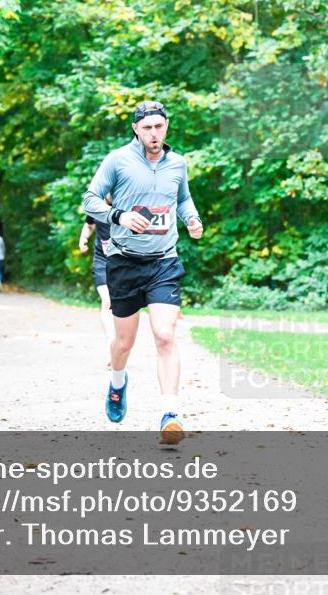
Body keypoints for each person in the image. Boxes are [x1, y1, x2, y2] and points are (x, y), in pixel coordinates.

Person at [82, 100, 204, 445]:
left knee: (165, 335)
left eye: (159, 126)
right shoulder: (118, 160)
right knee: (124, 343)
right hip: (123, 262)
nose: (154, 133)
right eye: (147, 127)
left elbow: (183, 199)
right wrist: (118, 215)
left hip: (164, 261)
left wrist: (191, 219)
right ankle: (118, 382)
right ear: (136, 128)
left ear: (167, 127)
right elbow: (91, 199)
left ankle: (170, 414)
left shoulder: (177, 163)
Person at [80, 194, 115, 368]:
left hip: (124, 261)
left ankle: (121, 344)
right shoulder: (97, 204)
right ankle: (112, 343)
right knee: (107, 301)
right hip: (102, 260)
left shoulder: (126, 201)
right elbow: (89, 225)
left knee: (122, 305)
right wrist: (83, 238)